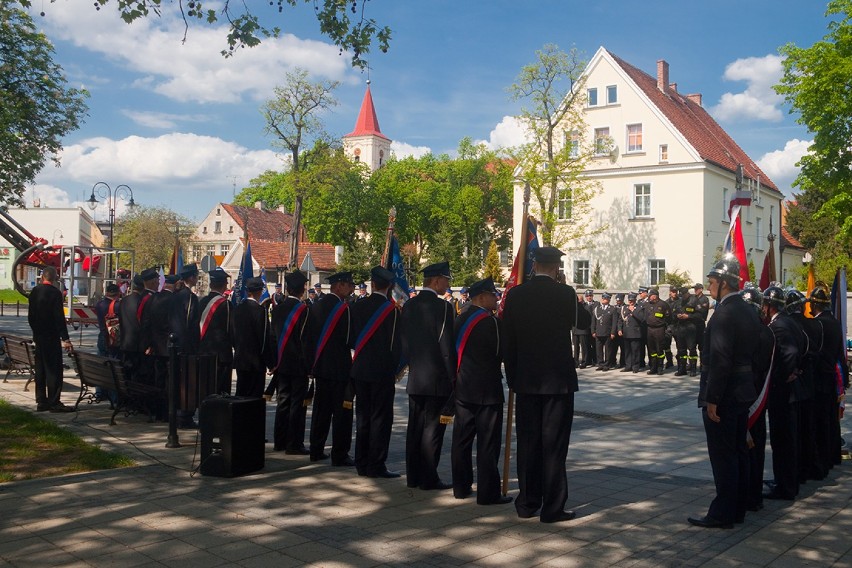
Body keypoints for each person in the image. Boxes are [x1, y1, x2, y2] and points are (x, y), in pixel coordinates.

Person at [503, 246, 591, 523]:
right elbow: (584, 323)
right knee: (554, 445)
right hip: (557, 382)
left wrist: (513, 377)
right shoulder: (563, 293)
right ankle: (553, 507)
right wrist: (570, 295)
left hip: (526, 380)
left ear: (534, 266)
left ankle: (527, 502)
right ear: (556, 268)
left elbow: (508, 340)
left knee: (528, 442)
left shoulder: (516, 294)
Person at [688, 255, 760, 529]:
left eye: (712, 282)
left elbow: (719, 360)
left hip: (725, 395)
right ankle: (738, 507)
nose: (708, 287)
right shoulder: (747, 310)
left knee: (723, 456)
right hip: (742, 392)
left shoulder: (724, 314)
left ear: (724, 284)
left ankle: (723, 513)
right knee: (738, 452)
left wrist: (712, 399)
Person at [450, 278, 512, 505]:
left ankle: (461, 487)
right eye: (493, 295)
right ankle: (488, 493)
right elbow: (500, 353)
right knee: (487, 444)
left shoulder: (460, 318)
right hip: (487, 390)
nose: (496, 298)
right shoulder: (490, 323)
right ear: (482, 297)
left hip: (463, 388)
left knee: (461, 441)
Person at [400, 261, 457, 491]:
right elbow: (446, 348)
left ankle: (413, 476)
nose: (447, 284)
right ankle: (429, 478)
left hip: (416, 378)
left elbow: (404, 343)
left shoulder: (409, 306)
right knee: (432, 430)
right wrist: (454, 377)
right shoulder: (443, 308)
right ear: (436, 281)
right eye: (446, 280)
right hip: (436, 379)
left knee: (415, 427)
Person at [348, 266, 402, 477]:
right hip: (381, 372)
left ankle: (361, 462)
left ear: (372, 284)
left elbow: (352, 340)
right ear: (389, 286)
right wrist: (393, 370)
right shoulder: (392, 311)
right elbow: (396, 346)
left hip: (360, 370)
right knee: (380, 418)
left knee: (363, 417)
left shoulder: (357, 307)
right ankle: (376, 465)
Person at [306, 271, 355, 465]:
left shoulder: (316, 307)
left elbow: (308, 339)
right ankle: (340, 454)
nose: (351, 289)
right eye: (348, 285)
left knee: (321, 411)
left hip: (320, 368)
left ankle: (316, 450)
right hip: (340, 368)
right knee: (342, 413)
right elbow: (350, 339)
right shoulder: (344, 309)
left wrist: (312, 365)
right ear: (339, 286)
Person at [762, 285, 804, 501]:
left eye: (763, 305)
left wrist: (782, 375)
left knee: (783, 442)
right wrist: (798, 368)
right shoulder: (789, 321)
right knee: (786, 441)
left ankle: (785, 487)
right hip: (790, 392)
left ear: (769, 307)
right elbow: (803, 347)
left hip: (784, 394)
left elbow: (791, 352)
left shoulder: (779, 325)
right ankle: (786, 481)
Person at [267, 270, 312, 454]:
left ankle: (280, 441)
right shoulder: (304, 310)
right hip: (299, 365)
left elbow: (271, 338)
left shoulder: (277, 310)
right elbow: (306, 341)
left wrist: (272, 363)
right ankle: (294, 444)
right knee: (297, 404)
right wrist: (310, 366)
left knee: (282, 402)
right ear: (302, 289)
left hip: (282, 364)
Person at [808, 284, 848, 476]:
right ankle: (833, 456)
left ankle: (821, 462)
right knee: (832, 421)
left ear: (814, 305)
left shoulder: (818, 324)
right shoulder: (834, 322)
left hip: (820, 379)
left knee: (821, 422)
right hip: (833, 378)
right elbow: (840, 353)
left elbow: (815, 353)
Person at [28, 266, 74, 412]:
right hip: (51, 336)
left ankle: (41, 401)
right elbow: (59, 317)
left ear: (42, 277)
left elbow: (31, 315)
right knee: (53, 369)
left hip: (39, 336)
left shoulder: (35, 291)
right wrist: (65, 338)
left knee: (40, 369)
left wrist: (36, 331)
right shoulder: (55, 293)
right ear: (55, 278)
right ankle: (54, 401)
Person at [233, 277, 276, 398]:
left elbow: (233, 334)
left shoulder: (238, 309)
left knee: (241, 395)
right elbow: (263, 340)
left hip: (241, 360)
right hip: (255, 363)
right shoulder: (260, 311)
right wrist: (270, 363)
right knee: (254, 398)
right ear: (260, 291)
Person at [198, 268, 234, 395]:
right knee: (220, 391)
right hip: (221, 355)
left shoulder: (201, 302)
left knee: (205, 388)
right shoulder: (226, 305)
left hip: (203, 352)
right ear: (224, 285)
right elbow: (231, 331)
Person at [672, 287, 701, 377]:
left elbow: (700, 315)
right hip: (680, 328)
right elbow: (672, 314)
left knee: (692, 349)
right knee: (681, 350)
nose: (683, 297)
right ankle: (682, 368)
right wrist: (677, 316)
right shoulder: (678, 302)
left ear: (687, 293)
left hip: (691, 327)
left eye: (684, 295)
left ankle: (693, 369)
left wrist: (688, 316)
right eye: (681, 295)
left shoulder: (694, 300)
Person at [643, 289, 671, 375]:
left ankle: (660, 367)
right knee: (652, 350)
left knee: (659, 349)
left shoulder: (663, 304)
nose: (649, 297)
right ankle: (653, 367)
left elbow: (668, 317)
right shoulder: (647, 304)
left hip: (659, 329)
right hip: (649, 329)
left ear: (655, 296)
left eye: (650, 296)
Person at [616, 292, 644, 373]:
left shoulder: (639, 308)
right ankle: (628, 366)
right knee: (627, 351)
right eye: (629, 300)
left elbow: (642, 319)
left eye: (632, 300)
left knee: (635, 351)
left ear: (635, 300)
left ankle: (635, 366)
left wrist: (633, 311)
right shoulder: (624, 308)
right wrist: (619, 329)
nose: (630, 302)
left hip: (635, 333)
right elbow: (620, 320)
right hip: (626, 333)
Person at [591, 292, 615, 371]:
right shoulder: (597, 308)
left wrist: (612, 332)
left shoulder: (612, 309)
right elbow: (593, 321)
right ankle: (600, 363)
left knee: (608, 350)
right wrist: (593, 331)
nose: (603, 300)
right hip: (598, 332)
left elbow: (614, 322)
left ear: (608, 299)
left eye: (605, 298)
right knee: (598, 349)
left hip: (607, 332)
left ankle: (607, 364)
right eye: (603, 298)